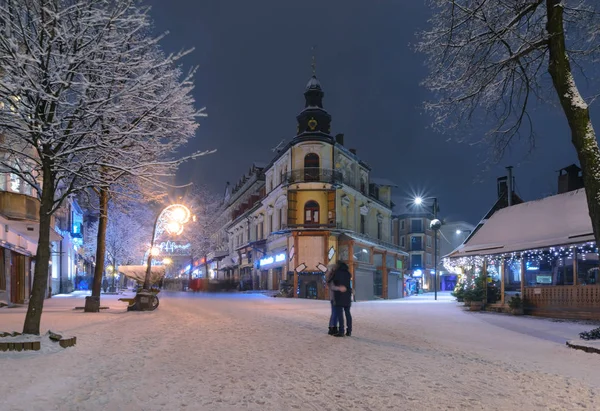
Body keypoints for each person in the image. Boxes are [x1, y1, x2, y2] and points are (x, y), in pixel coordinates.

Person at [331, 261, 352, 337]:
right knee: (348, 313)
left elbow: (332, 283)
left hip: (339, 295)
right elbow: (349, 284)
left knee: (340, 314)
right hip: (347, 295)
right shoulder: (348, 273)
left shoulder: (337, 273)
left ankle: (341, 331)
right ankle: (349, 331)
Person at [325, 263, 338, 335]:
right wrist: (340, 288)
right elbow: (333, 287)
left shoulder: (329, 276)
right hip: (334, 297)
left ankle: (332, 327)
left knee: (334, 313)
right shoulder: (331, 277)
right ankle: (332, 327)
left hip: (333, 297)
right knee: (335, 313)